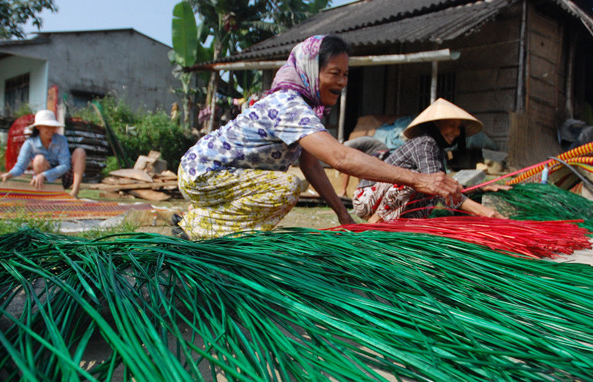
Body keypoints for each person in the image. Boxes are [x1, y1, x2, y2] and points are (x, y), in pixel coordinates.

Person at [175, 35, 462, 240]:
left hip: (217, 175)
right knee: (286, 186)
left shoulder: (308, 110)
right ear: (311, 71)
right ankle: (196, 229)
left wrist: (343, 215)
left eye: (346, 75)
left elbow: (311, 166)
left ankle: (198, 226)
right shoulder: (288, 106)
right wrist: (420, 179)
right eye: (334, 73)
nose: (342, 82)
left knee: (287, 184)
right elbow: (341, 157)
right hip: (204, 174)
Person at [352, 98, 508, 223]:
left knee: (430, 185)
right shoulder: (425, 143)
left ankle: (400, 225)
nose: (456, 131)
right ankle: (376, 223)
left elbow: (444, 185)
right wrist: (485, 212)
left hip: (386, 199)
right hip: (366, 199)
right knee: (416, 180)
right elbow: (438, 188)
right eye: (451, 125)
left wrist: (479, 188)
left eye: (458, 127)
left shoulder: (436, 148)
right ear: (436, 125)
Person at [1, 110, 86, 198]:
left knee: (80, 152)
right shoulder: (30, 143)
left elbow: (65, 165)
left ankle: (74, 192)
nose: (50, 130)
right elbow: (20, 166)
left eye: (52, 127)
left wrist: (45, 174)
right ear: (38, 127)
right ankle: (45, 191)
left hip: (63, 177)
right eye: (46, 127)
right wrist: (9, 174)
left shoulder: (61, 140)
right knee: (39, 160)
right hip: (46, 180)